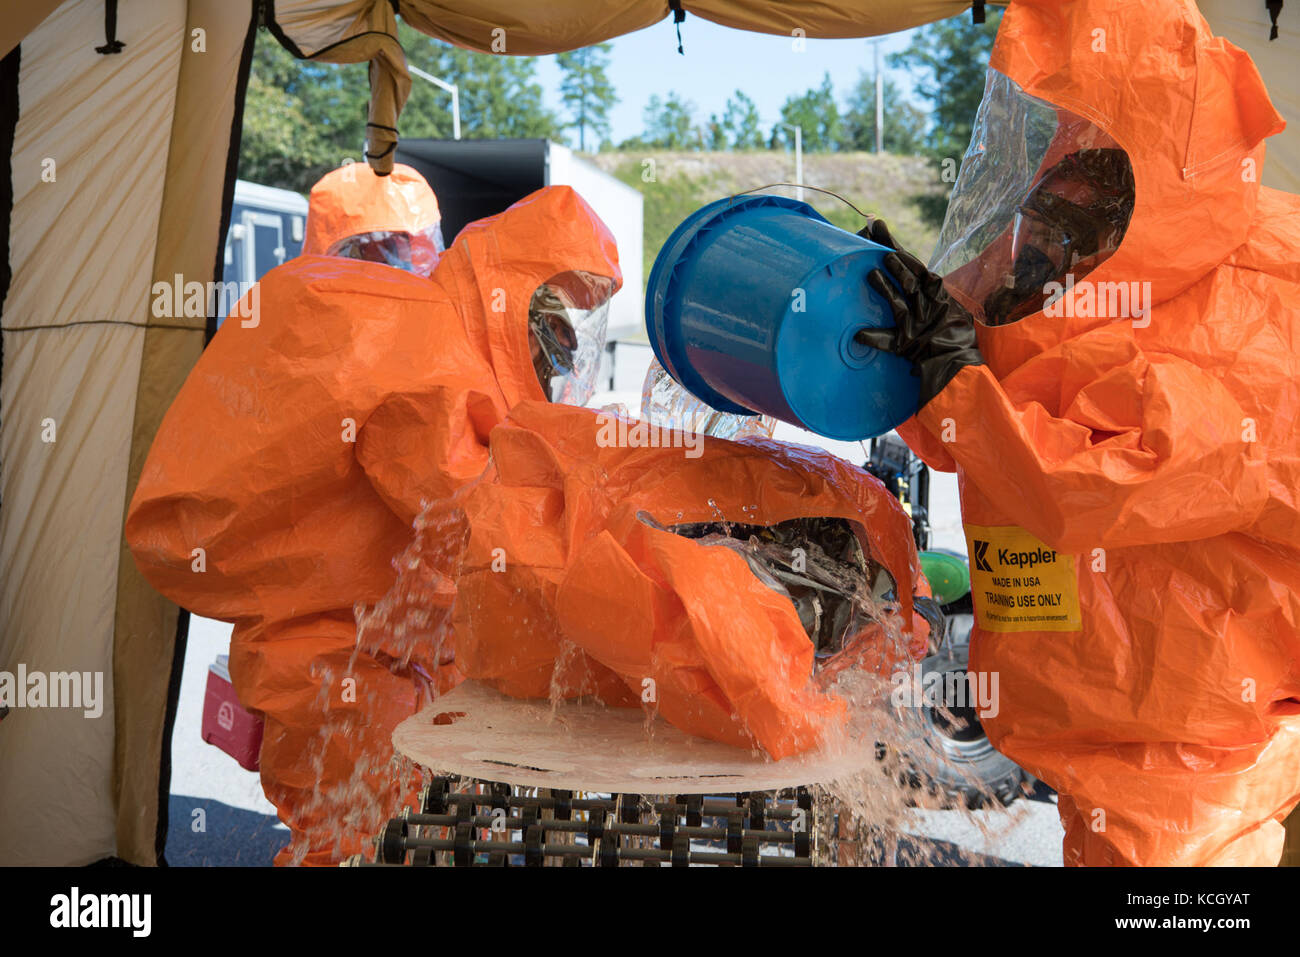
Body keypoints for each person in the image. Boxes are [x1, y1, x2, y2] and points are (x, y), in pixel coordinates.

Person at [859, 0, 1300, 865]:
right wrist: (905, 334)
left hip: (1199, 743)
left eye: (1090, 141)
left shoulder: (1264, 292)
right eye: (1055, 133)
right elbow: (965, 429)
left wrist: (951, 381)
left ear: (1161, 148)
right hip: (1099, 709)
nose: (1062, 165)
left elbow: (1110, 478)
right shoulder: (1080, 245)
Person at [126, 166, 620, 865]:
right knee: (360, 838)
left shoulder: (350, 318)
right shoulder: (397, 340)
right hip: (340, 658)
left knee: (391, 829)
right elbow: (471, 508)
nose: (413, 259)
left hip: (356, 646)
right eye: (396, 244)